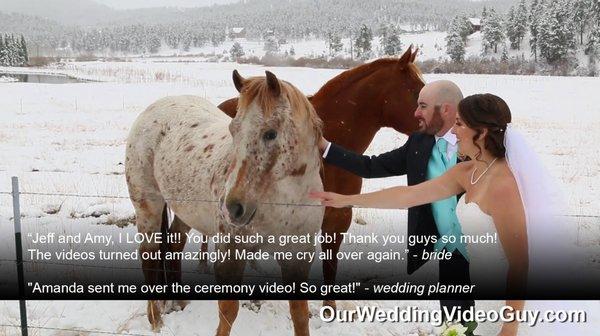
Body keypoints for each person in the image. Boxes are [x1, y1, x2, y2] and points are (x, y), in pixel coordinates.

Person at [311, 93, 594, 335]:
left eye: (459, 124)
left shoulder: (504, 186)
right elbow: (408, 195)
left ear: (481, 133)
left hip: (508, 307)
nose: (454, 130)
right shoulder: (465, 172)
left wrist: (509, 326)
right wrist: (346, 199)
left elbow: (520, 264)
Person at [319, 80, 475, 318]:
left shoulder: (481, 146)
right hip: (448, 251)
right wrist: (325, 147)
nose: (415, 113)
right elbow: (371, 166)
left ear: (445, 109)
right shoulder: (419, 142)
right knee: (457, 322)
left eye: (422, 106)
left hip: (483, 250)